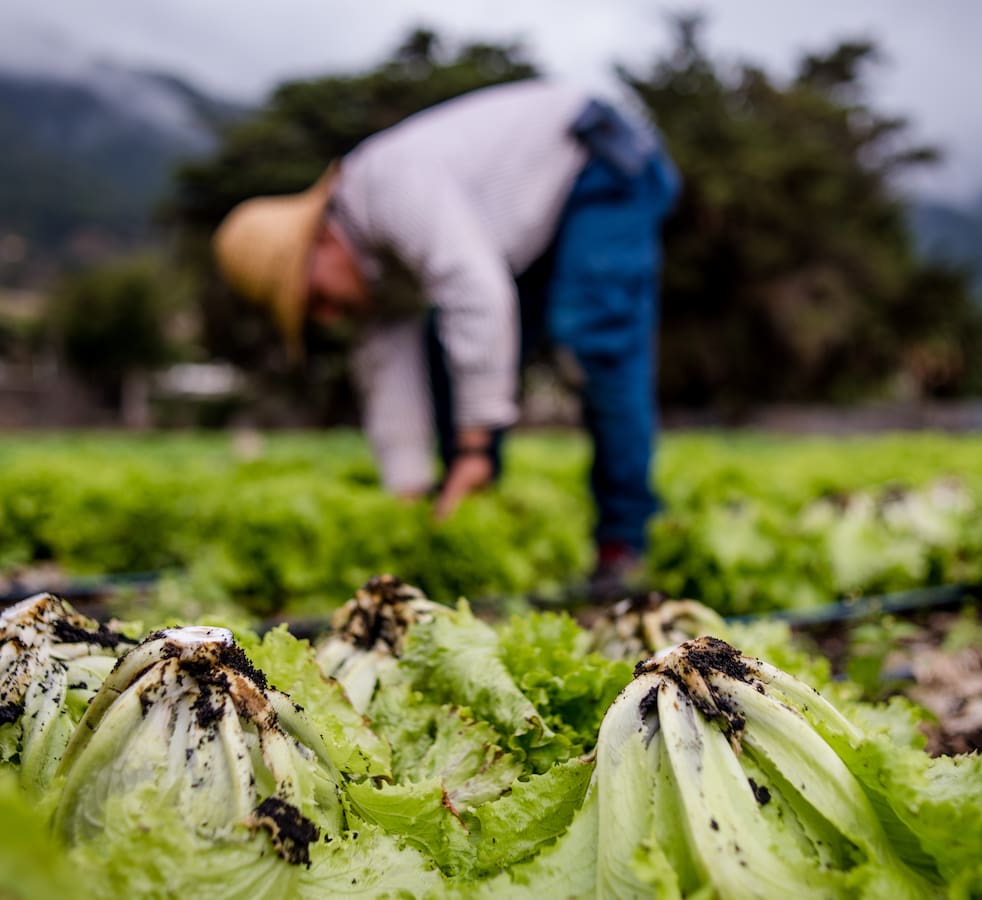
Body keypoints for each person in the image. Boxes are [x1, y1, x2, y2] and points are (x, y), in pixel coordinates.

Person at [212, 80, 679, 592]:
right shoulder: (371, 268)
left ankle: (625, 543)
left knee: (593, 335)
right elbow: (388, 375)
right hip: (530, 226)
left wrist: (473, 447)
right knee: (452, 351)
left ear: (321, 243)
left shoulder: (391, 186)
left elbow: (477, 292)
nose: (326, 316)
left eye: (314, 298)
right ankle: (478, 530)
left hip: (599, 160)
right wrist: (410, 495)